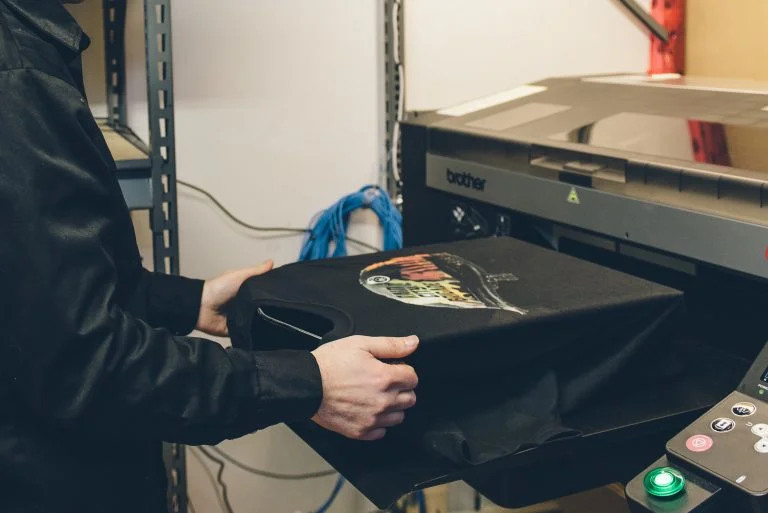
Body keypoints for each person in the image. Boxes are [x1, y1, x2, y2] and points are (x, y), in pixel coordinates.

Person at [0, 1, 419, 512]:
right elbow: (85, 364)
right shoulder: (17, 76)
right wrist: (309, 384)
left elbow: (39, 294)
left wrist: (189, 302)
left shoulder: (28, 54)